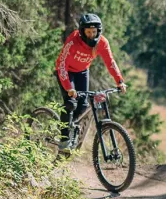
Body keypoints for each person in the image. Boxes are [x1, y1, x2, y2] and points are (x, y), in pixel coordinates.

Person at [54, 13, 126, 147]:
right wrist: (69, 87)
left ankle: (71, 125)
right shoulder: (73, 40)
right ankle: (64, 139)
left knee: (83, 105)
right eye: (88, 32)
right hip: (66, 71)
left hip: (82, 71)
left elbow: (110, 62)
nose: (92, 35)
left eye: (94, 32)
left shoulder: (102, 43)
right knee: (70, 103)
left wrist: (119, 81)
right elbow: (62, 64)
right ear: (82, 32)